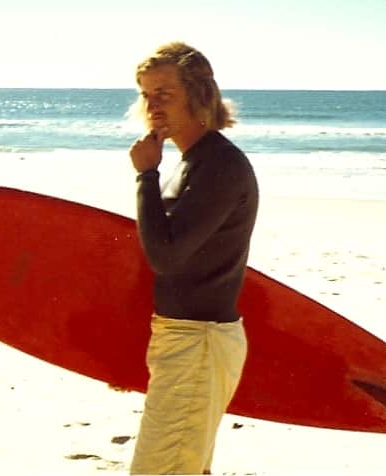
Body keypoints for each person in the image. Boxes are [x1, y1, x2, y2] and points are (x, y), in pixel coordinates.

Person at [127, 42, 259, 475]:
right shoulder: (191, 163)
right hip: (182, 339)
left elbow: (165, 256)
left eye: (164, 93)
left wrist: (146, 175)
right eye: (146, 94)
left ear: (198, 94)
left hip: (198, 343)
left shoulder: (218, 165)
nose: (152, 105)